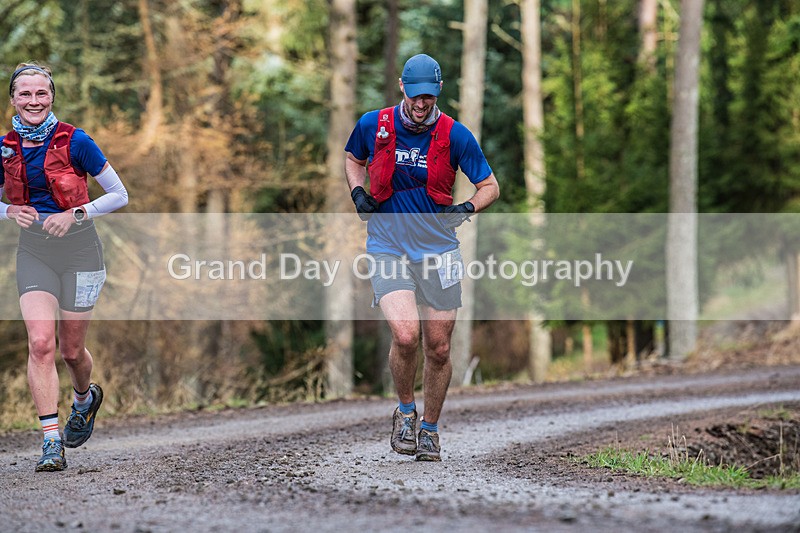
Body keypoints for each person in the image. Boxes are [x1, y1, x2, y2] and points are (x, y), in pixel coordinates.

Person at [344, 54, 499, 461]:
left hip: (439, 250)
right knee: (407, 334)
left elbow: (490, 186)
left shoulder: (455, 134)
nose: (421, 104)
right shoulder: (373, 125)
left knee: (440, 347)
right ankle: (406, 413)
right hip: (387, 245)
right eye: (415, 96)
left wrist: (465, 209)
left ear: (438, 92)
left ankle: (429, 429)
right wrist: (357, 192)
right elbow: (352, 158)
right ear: (402, 88)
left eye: (428, 97)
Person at [1, 62, 129, 472]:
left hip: (80, 252)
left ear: (51, 95)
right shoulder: (4, 148)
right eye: (25, 94)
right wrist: (9, 211)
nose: (33, 101)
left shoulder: (76, 141)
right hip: (34, 252)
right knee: (41, 343)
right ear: (13, 100)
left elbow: (119, 195)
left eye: (41, 93)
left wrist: (76, 215)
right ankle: (50, 442)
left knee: (72, 351)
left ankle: (83, 399)